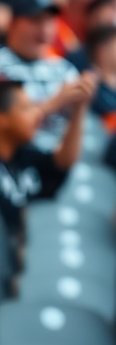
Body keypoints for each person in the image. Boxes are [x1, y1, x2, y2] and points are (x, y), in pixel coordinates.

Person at [0, 76, 95, 232]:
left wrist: (78, 110)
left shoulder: (24, 156)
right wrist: (52, 104)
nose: (38, 114)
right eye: (26, 108)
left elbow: (64, 161)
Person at [0, 0, 84, 144]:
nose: (44, 30)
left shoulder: (63, 69)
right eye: (36, 20)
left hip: (57, 158)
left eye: (50, 21)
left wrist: (83, 101)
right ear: (13, 23)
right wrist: (52, 104)